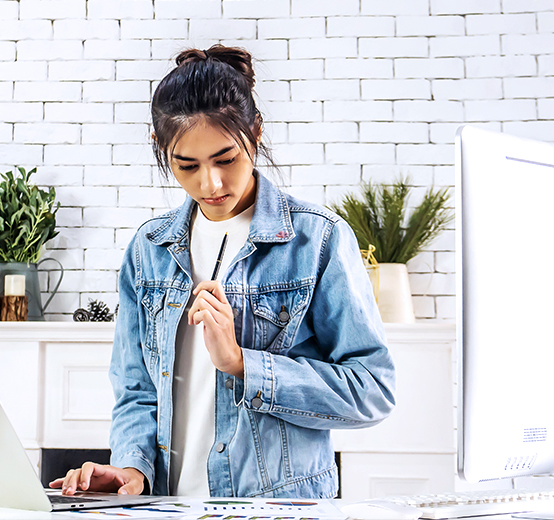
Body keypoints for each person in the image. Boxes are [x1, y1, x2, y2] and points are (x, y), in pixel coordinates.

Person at [49, 44, 396, 498]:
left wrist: (241, 364)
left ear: (254, 132)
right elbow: (136, 390)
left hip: (278, 510)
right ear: (161, 149)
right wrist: (133, 468)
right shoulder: (148, 250)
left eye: (225, 159)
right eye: (186, 165)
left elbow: (372, 391)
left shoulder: (318, 241)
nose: (209, 184)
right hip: (168, 507)